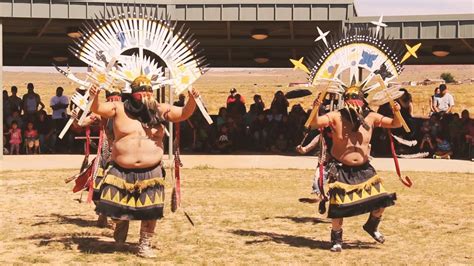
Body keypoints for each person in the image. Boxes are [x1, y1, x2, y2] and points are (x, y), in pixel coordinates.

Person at [90, 76, 199, 258]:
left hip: (152, 170)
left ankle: (144, 244)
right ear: (133, 94)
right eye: (142, 92)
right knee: (113, 207)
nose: (146, 95)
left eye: (149, 92)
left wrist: (193, 100)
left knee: (150, 211)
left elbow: (183, 113)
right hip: (121, 169)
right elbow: (98, 108)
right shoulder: (119, 108)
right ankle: (121, 220)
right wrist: (94, 96)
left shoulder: (159, 109)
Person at [310, 86, 401, 252]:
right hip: (341, 168)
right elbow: (314, 123)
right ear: (345, 101)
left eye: (357, 100)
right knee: (339, 207)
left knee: (381, 201)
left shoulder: (371, 117)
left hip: (364, 168)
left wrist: (396, 111)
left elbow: (396, 123)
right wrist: (316, 108)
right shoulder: (336, 116)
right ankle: (336, 239)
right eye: (350, 100)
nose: (354, 104)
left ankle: (371, 227)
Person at [50, 87, 69, 152]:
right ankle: (54, 147)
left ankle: (64, 147)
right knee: (56, 132)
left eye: (60, 91)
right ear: (56, 91)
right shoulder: (53, 98)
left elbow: (66, 106)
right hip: (55, 118)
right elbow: (53, 108)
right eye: (58, 91)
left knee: (63, 133)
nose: (59, 92)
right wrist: (61, 105)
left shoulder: (65, 98)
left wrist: (57, 106)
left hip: (63, 118)